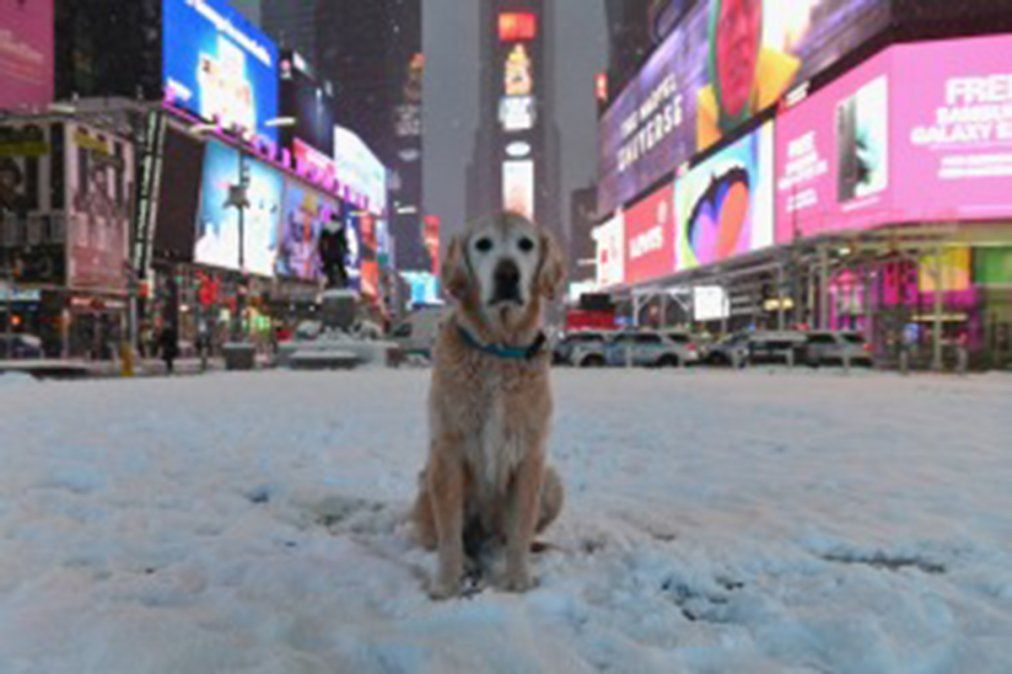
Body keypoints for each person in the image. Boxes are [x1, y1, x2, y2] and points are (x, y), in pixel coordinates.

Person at [696, 0, 800, 150]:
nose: (742, 33)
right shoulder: (706, 108)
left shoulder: (787, 78)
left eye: (750, 12)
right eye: (729, 22)